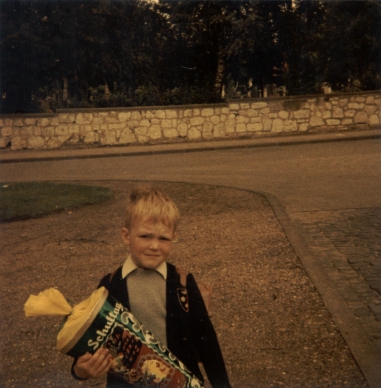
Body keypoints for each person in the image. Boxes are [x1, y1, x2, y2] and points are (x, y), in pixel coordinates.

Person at [71, 185, 231, 387]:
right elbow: (90, 341)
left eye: (163, 238)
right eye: (145, 236)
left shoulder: (182, 282)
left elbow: (207, 341)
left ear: (173, 237)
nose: (154, 246)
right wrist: (80, 370)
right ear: (126, 236)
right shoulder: (110, 285)